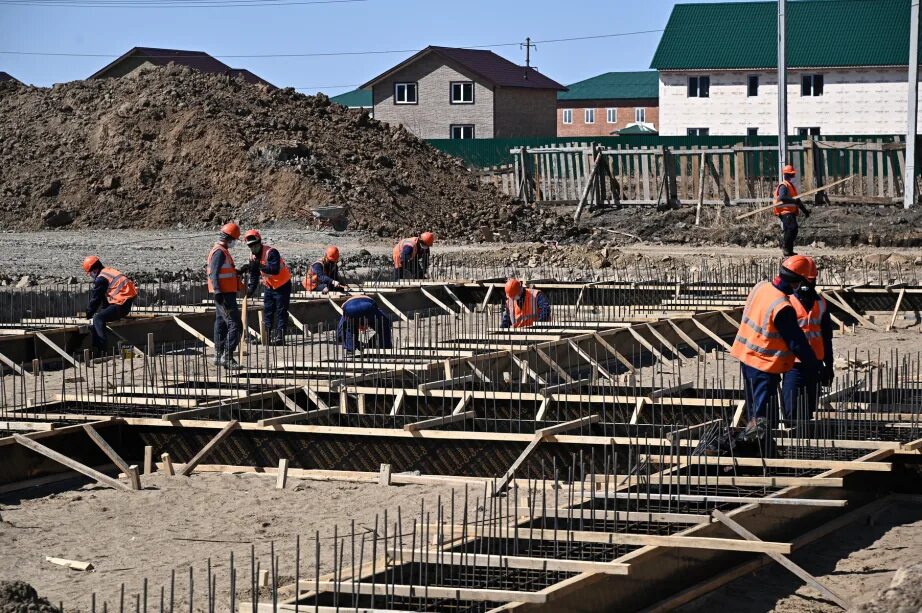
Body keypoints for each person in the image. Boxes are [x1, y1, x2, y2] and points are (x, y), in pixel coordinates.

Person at [729, 257, 824, 452]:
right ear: (799, 282)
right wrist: (815, 367)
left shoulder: (761, 287)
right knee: (763, 415)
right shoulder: (783, 306)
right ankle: (759, 453)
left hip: (747, 357)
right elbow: (797, 342)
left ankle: (762, 448)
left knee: (756, 410)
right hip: (764, 364)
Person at [781, 255, 834, 422]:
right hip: (793, 365)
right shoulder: (786, 300)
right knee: (792, 412)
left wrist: (829, 366)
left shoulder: (821, 303)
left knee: (808, 410)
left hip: (815, 366)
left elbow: (826, 337)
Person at [243, 230, 293, 346]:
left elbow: (274, 269)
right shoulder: (252, 256)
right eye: (250, 246)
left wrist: (259, 265)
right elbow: (255, 275)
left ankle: (280, 337)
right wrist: (250, 290)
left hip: (282, 285)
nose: (252, 248)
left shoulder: (271, 252)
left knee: (281, 312)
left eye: (254, 245)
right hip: (269, 286)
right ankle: (266, 337)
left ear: (259, 242)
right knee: (268, 312)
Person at [82, 256, 138, 353]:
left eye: (90, 273)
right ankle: (99, 348)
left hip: (121, 304)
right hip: (126, 302)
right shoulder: (108, 271)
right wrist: (104, 311)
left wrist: (89, 313)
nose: (90, 275)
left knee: (98, 318)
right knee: (100, 316)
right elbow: (105, 298)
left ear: (94, 270)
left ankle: (102, 350)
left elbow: (96, 298)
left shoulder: (101, 279)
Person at [207, 222, 244, 369]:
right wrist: (217, 292)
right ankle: (227, 357)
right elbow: (213, 273)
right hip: (224, 295)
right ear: (230, 238)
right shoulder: (219, 252)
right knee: (235, 325)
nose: (234, 242)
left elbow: (226, 273)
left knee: (221, 323)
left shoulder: (221, 251)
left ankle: (218, 354)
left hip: (225, 293)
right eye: (234, 239)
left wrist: (239, 272)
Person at [773, 164, 811, 257]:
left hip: (790, 212)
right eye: (790, 174)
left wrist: (805, 211)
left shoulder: (790, 186)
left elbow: (797, 201)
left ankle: (789, 250)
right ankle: (786, 248)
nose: (792, 176)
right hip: (785, 211)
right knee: (792, 229)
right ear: (786, 175)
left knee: (791, 230)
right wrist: (794, 200)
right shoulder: (784, 185)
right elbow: (782, 197)